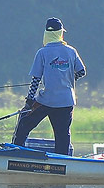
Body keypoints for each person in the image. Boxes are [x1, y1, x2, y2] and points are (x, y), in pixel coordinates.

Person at [12, 17, 87, 155]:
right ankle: (63, 162)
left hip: (46, 100)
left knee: (24, 122)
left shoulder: (42, 53)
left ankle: (15, 152)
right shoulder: (71, 51)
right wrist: (69, 78)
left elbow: (36, 80)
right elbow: (81, 71)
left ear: (46, 34)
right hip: (66, 101)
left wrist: (29, 101)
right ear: (60, 33)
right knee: (62, 135)